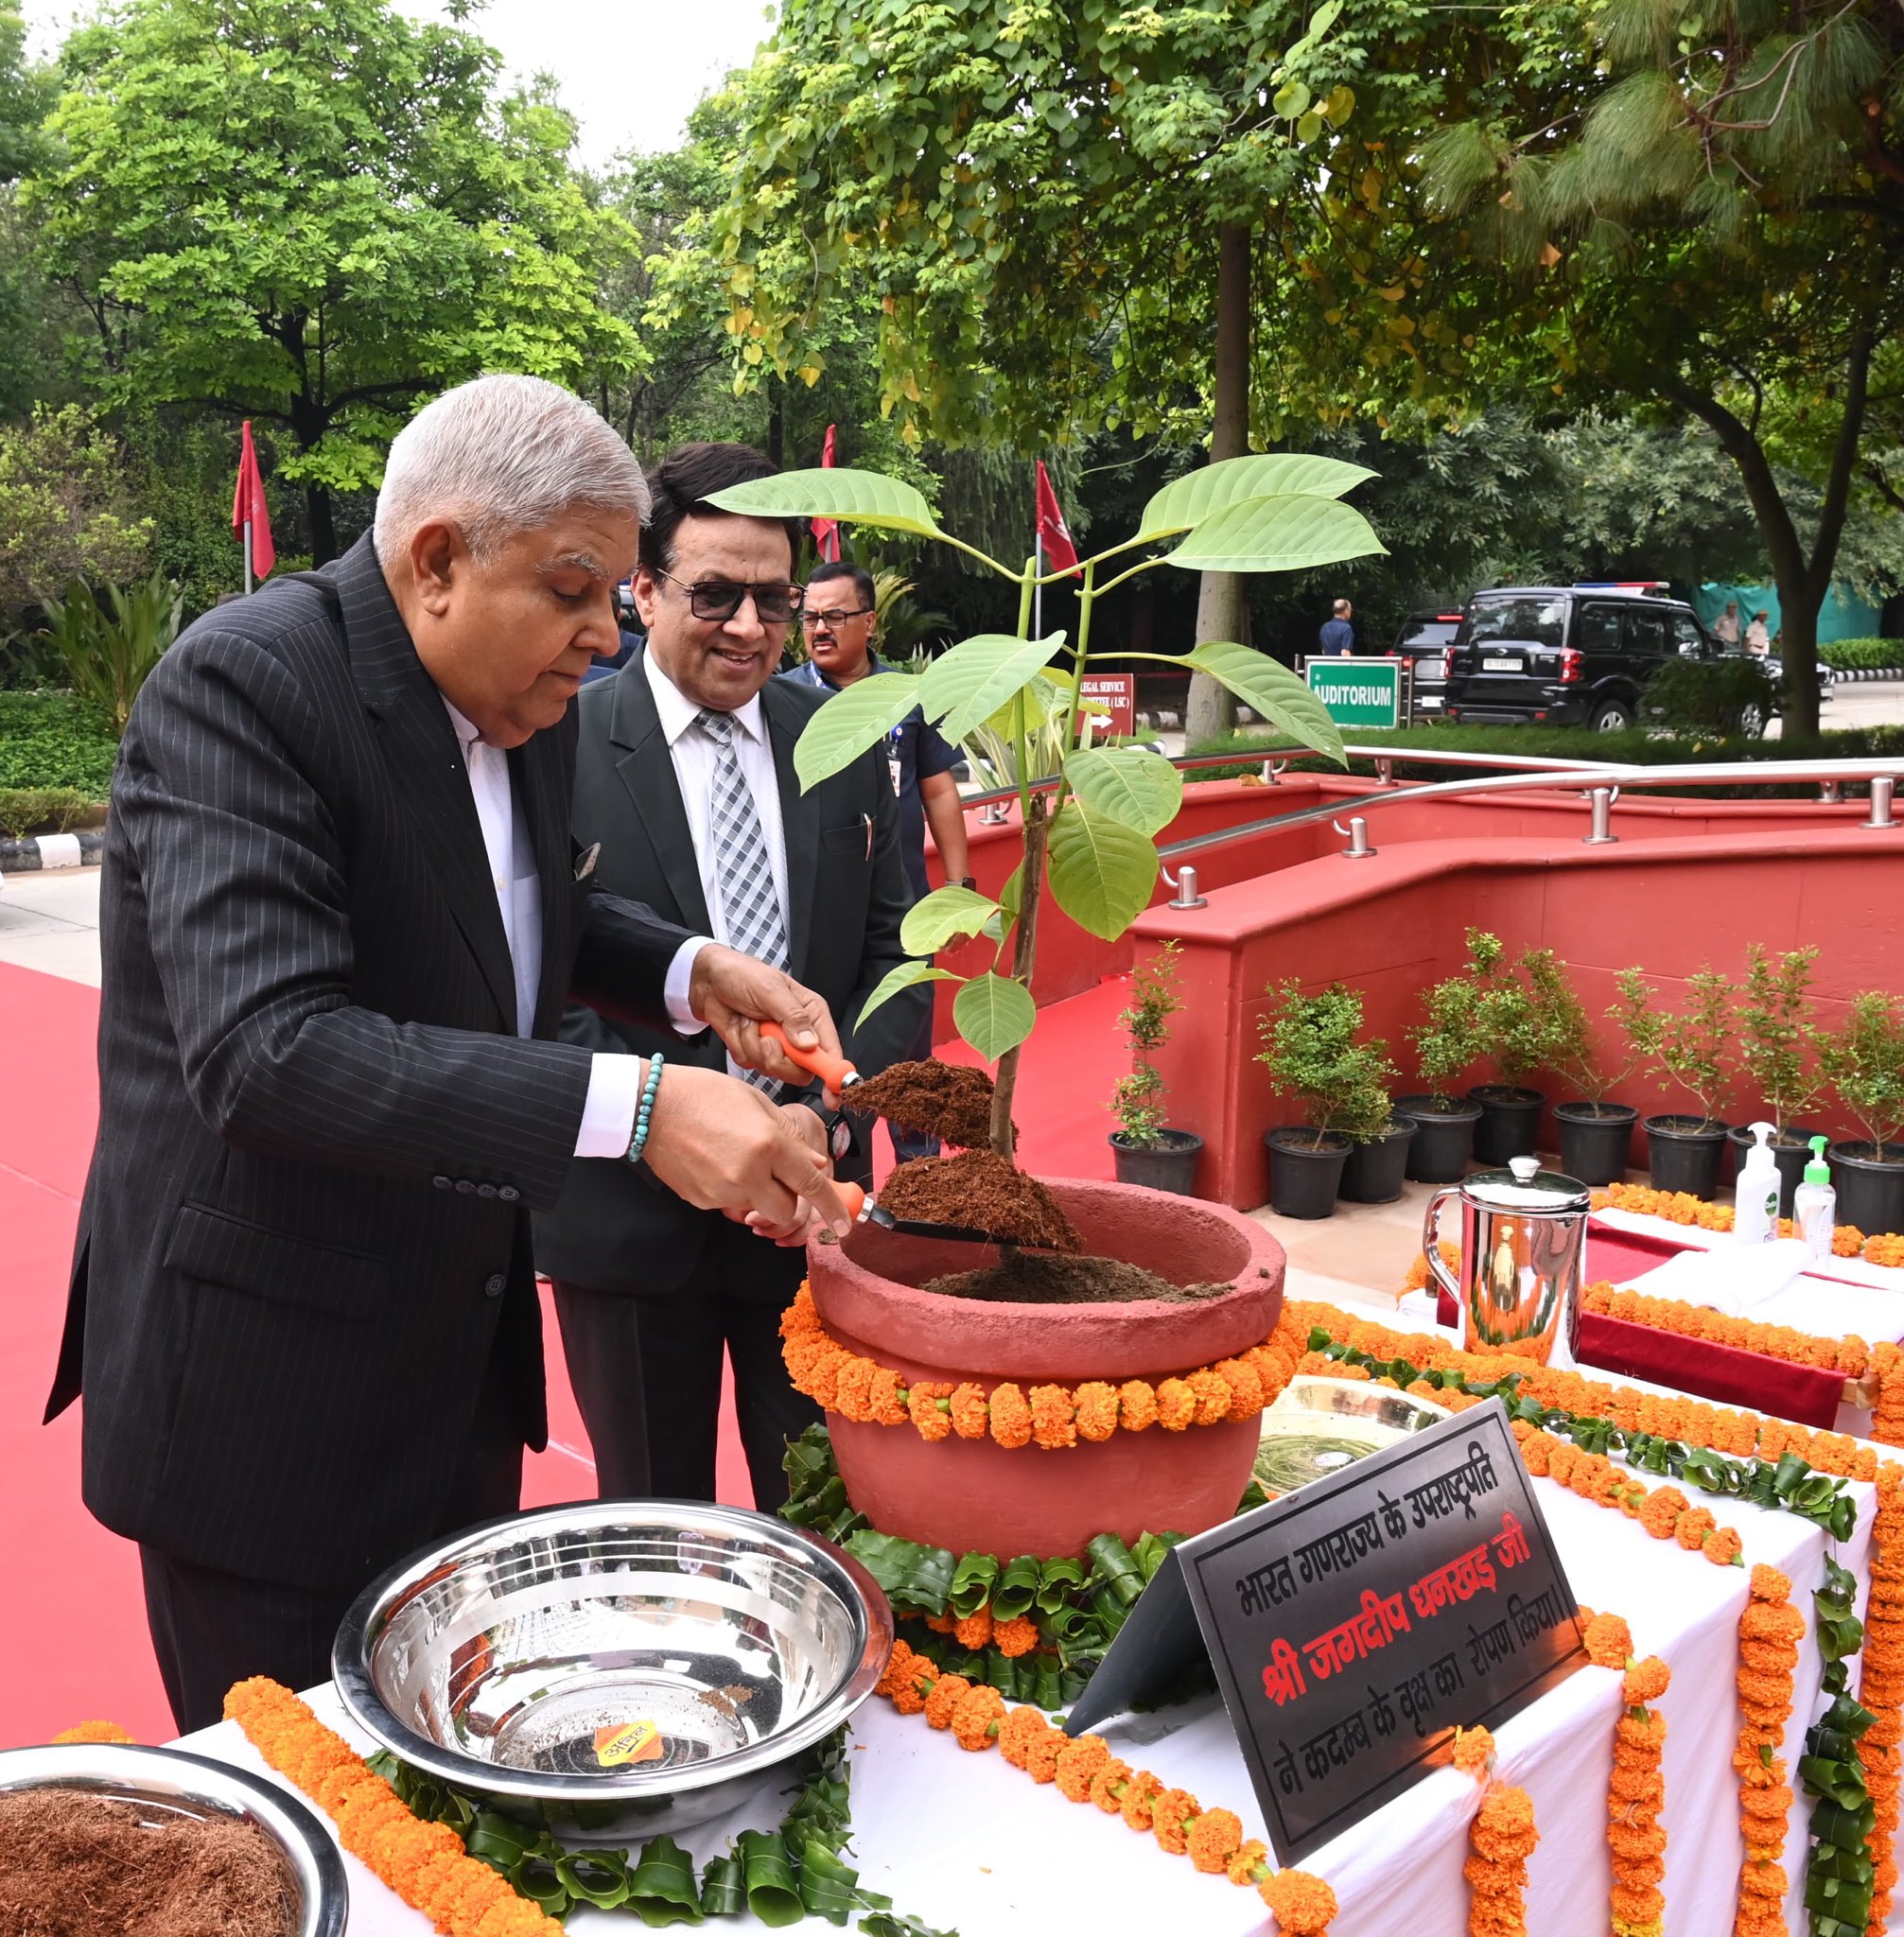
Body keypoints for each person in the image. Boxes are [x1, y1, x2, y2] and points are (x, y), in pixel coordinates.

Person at [45, 376, 854, 1734]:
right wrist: (644, 1104)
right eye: (576, 591)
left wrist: (685, 970)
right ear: (436, 564)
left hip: (449, 1362)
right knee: (316, 1809)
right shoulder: (248, 686)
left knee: (439, 1782)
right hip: (268, 1402)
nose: (607, 635)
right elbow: (265, 1051)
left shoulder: (509, 701)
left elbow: (521, 906)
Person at [533, 445, 927, 1509]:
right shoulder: (552, 742)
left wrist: (829, 1120)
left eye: (774, 598)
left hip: (810, 1207)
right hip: (627, 1217)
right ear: (645, 587)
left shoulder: (839, 740)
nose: (751, 627)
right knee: (656, 1527)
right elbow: (528, 977)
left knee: (830, 1516)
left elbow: (897, 955)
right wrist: (660, 1124)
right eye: (715, 593)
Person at [783, 561, 971, 1161]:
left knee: (909, 1046)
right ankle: (835, 1166)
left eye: (835, 616)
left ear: (869, 623)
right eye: (810, 616)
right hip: (820, 907)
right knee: (823, 1037)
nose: (819, 628)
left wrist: (959, 888)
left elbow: (939, 789)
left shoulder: (911, 696)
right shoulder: (784, 698)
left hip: (903, 907)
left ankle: (920, 1177)